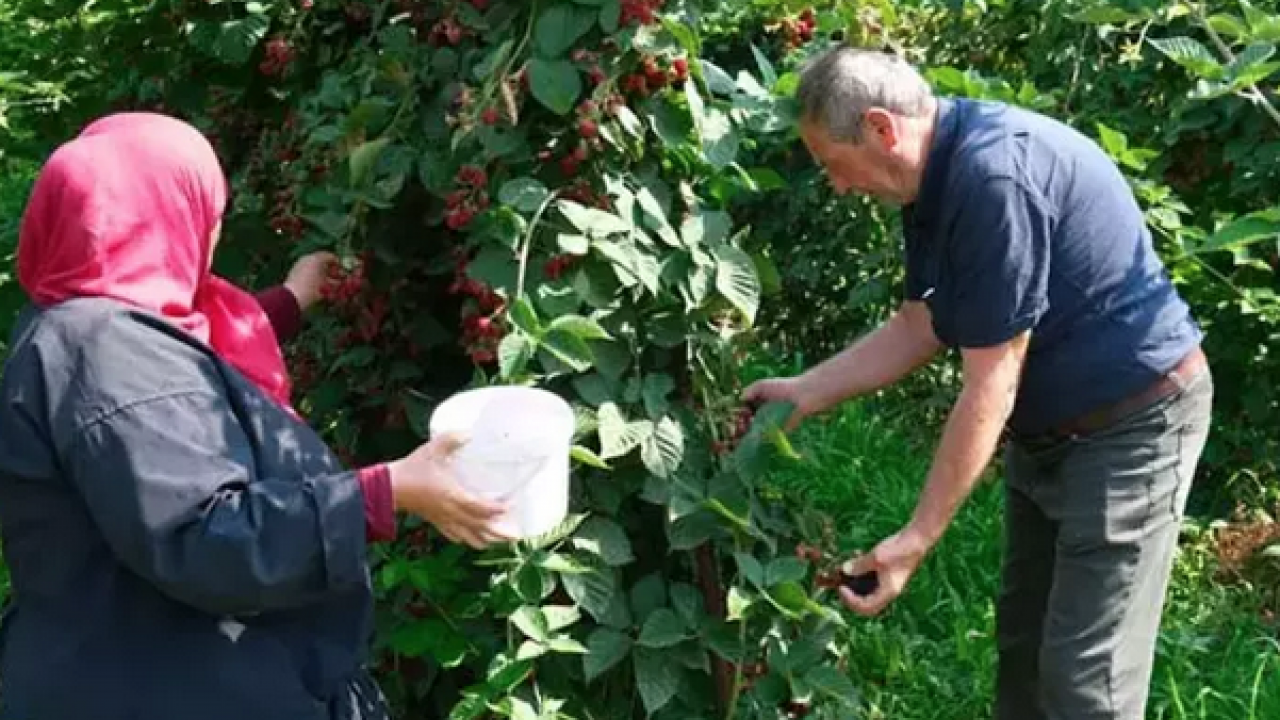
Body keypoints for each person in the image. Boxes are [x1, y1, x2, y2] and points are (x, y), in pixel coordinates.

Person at [744, 46, 1213, 720]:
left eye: (833, 166)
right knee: (1024, 655)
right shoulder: (932, 180)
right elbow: (919, 324)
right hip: (1055, 434)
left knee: (1087, 681)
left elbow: (992, 383)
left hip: (1133, 427)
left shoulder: (994, 179)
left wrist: (916, 538)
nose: (839, 187)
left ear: (880, 128)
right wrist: (806, 390)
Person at [0, 112, 511, 720]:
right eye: (204, 210)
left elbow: (180, 385)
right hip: (167, 687)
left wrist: (289, 302)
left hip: (114, 665)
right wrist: (383, 492)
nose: (212, 230)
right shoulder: (108, 352)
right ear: (154, 218)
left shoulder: (75, 323)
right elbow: (208, 538)